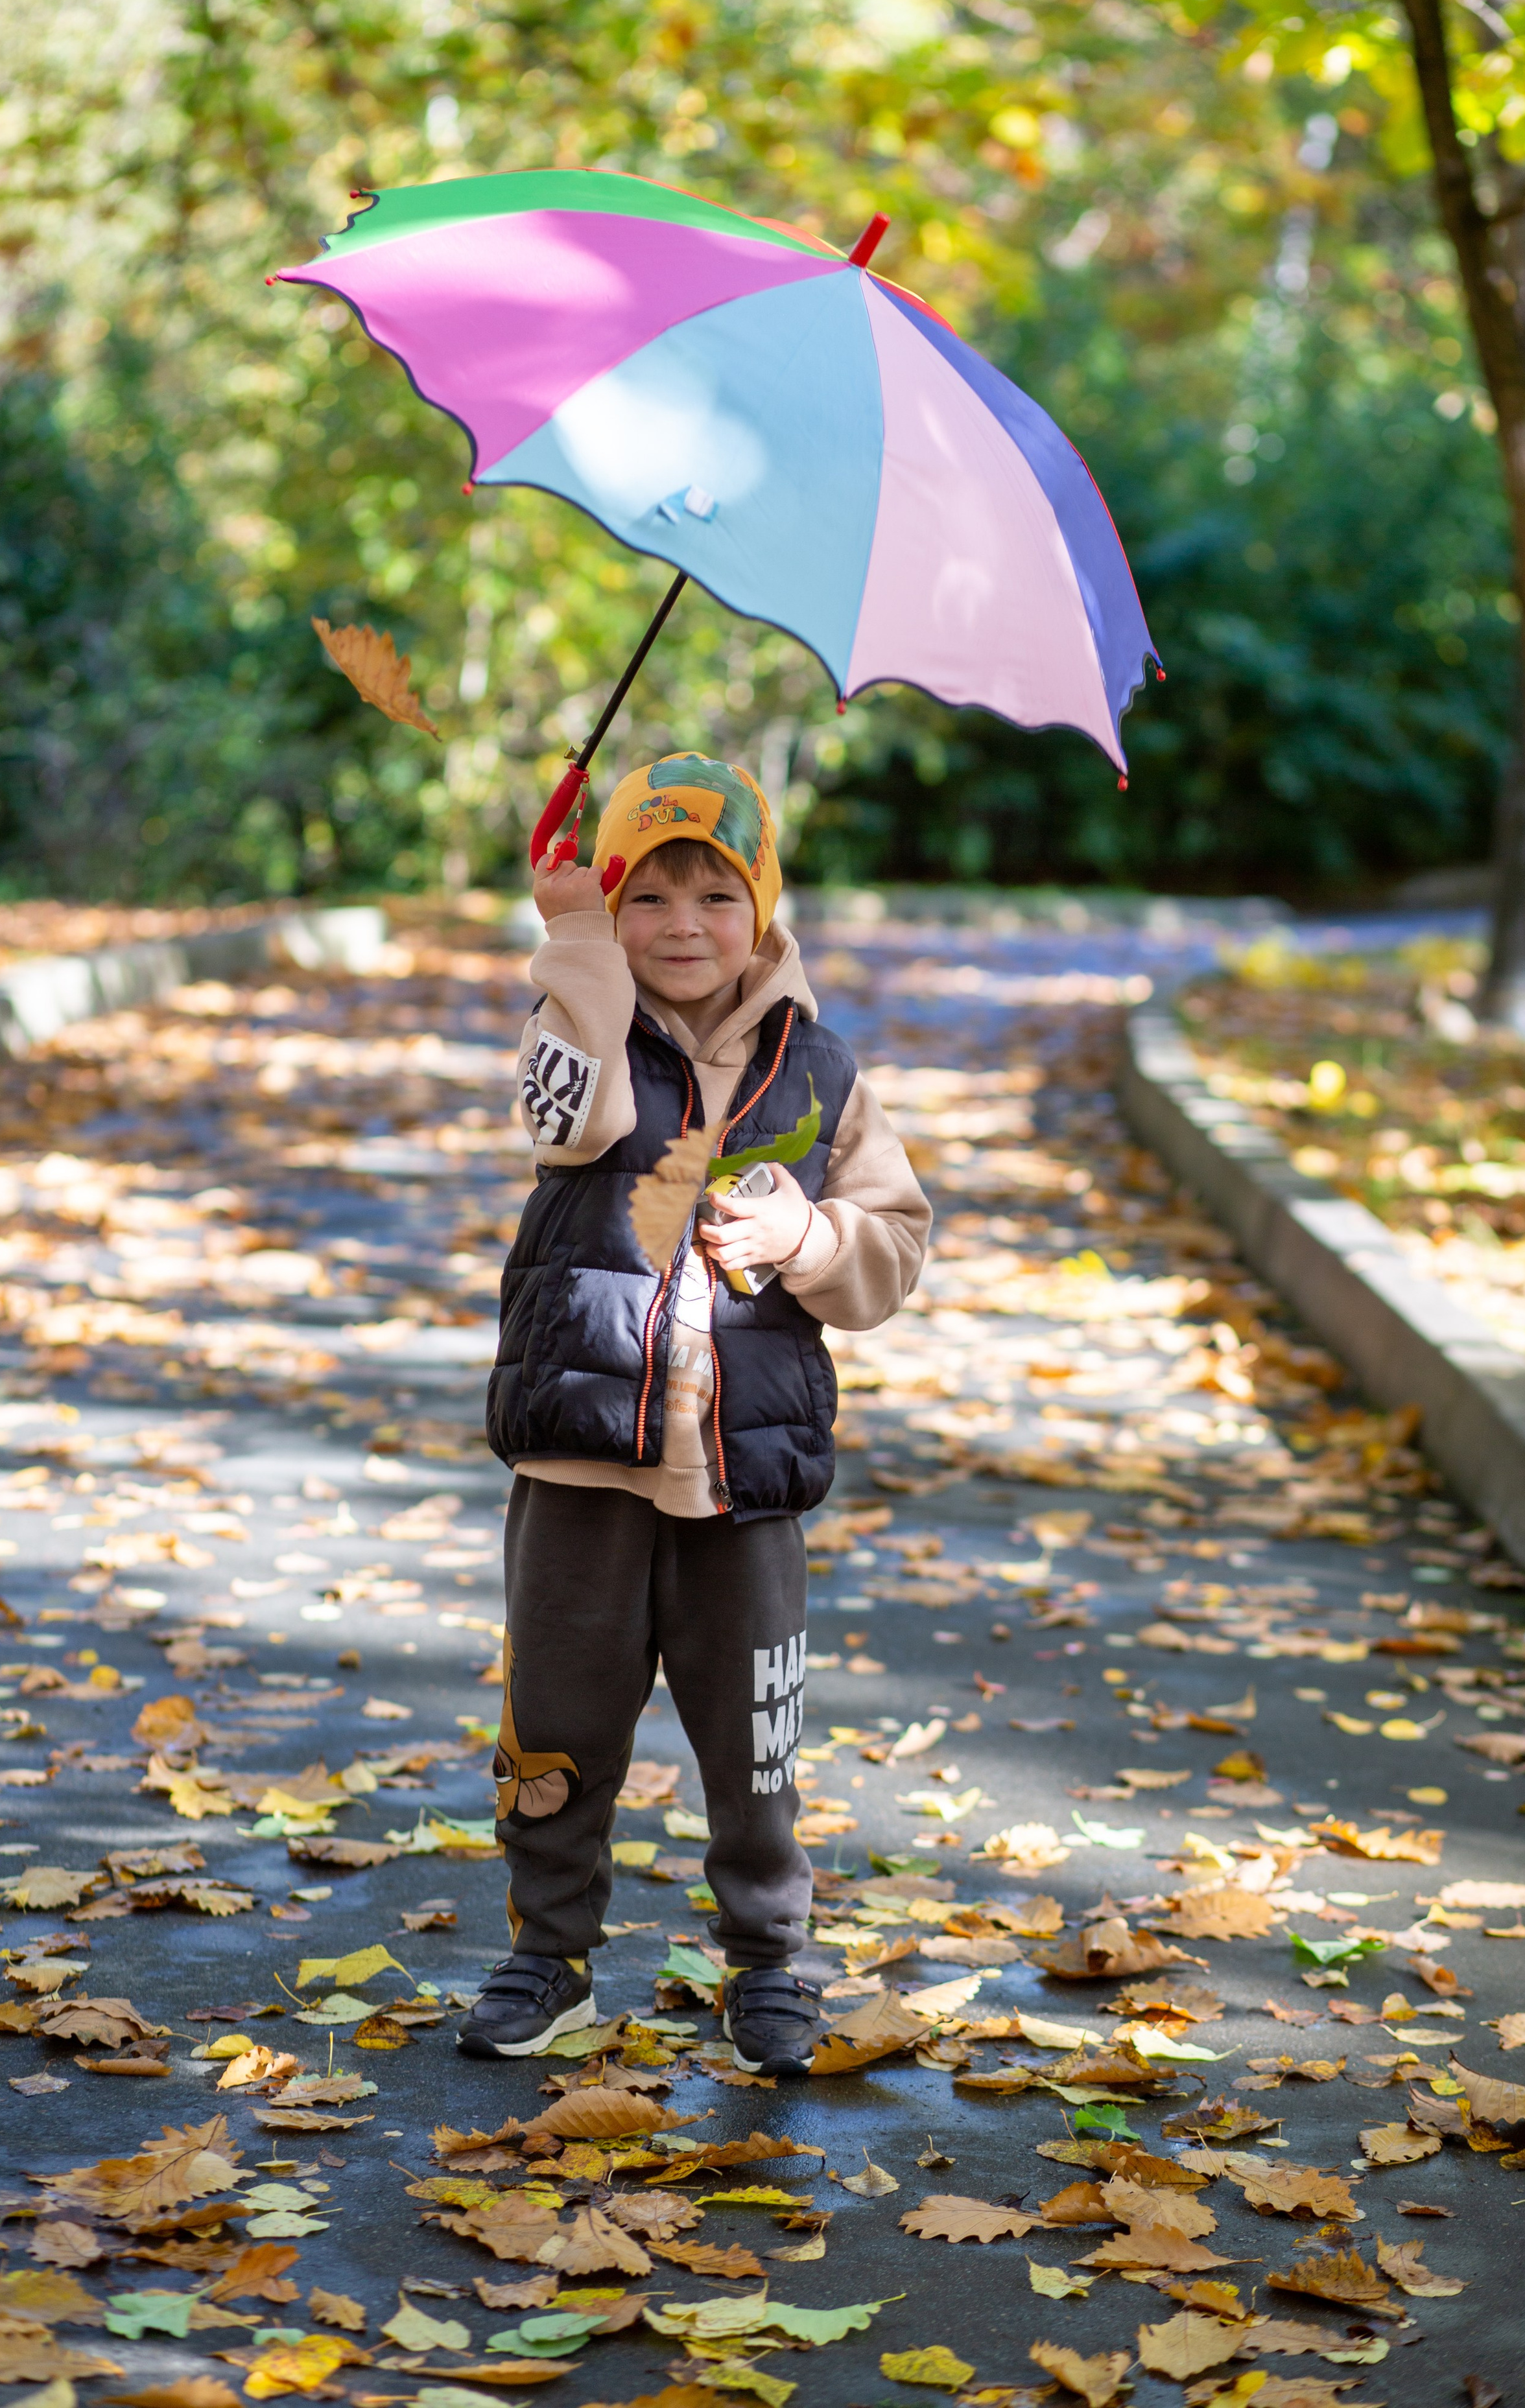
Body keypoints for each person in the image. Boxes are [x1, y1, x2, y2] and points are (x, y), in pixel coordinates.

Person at [456, 751, 930, 2076]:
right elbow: (571, 1126)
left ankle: (768, 1962)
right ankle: (548, 1956)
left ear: (763, 909)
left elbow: (892, 1248)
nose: (679, 926)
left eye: (714, 896)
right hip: (584, 1457)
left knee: (753, 1732)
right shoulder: (576, 1026)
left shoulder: (822, 1072)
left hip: (742, 1471)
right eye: (647, 894)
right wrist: (573, 947)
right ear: (611, 901)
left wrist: (807, 1233)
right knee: (557, 1718)